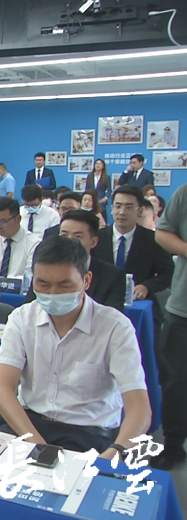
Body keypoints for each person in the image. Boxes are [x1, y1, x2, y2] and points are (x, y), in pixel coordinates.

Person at [0, 236, 150, 454]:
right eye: (43, 284)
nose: (52, 294)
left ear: (86, 280)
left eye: (65, 285)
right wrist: (39, 446)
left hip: (86, 433)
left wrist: (116, 452)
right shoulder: (22, 318)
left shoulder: (115, 327)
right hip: (28, 426)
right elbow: (1, 389)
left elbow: (140, 408)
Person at [24, 210, 126, 312]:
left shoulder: (113, 276)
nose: (69, 241)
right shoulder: (44, 270)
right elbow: (29, 310)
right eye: (64, 235)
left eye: (77, 237)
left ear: (93, 242)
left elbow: (112, 315)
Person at [152, 182, 187, 469]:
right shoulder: (185, 193)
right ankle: (174, 444)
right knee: (175, 381)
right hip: (183, 308)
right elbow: (162, 232)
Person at [93, 186, 174, 304]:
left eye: (129, 207)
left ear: (140, 211)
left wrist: (147, 286)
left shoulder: (153, 239)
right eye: (118, 206)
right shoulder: (96, 238)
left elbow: (168, 273)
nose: (122, 212)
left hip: (138, 302)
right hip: (101, 302)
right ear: (112, 209)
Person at [0, 196, 41, 278]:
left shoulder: (34, 244)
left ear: (18, 219)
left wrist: (6, 283)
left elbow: (31, 276)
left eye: (3, 222)